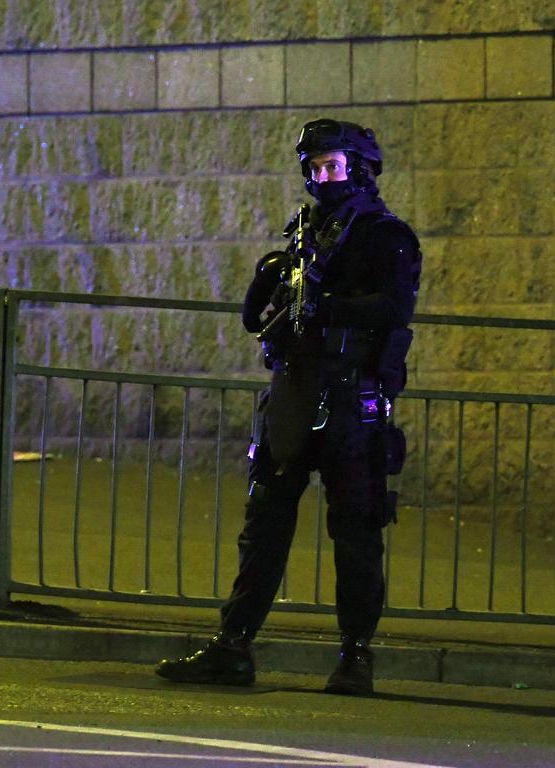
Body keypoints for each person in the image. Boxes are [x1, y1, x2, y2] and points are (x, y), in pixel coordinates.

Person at [155, 118, 421, 696]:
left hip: (353, 400)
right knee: (264, 527)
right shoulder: (303, 236)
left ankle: (356, 657)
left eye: (332, 165)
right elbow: (260, 319)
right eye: (315, 166)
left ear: (359, 168)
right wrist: (268, 281)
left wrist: (331, 306)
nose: (322, 175)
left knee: (355, 531)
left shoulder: (386, 235)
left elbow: (395, 308)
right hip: (295, 394)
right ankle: (233, 647)